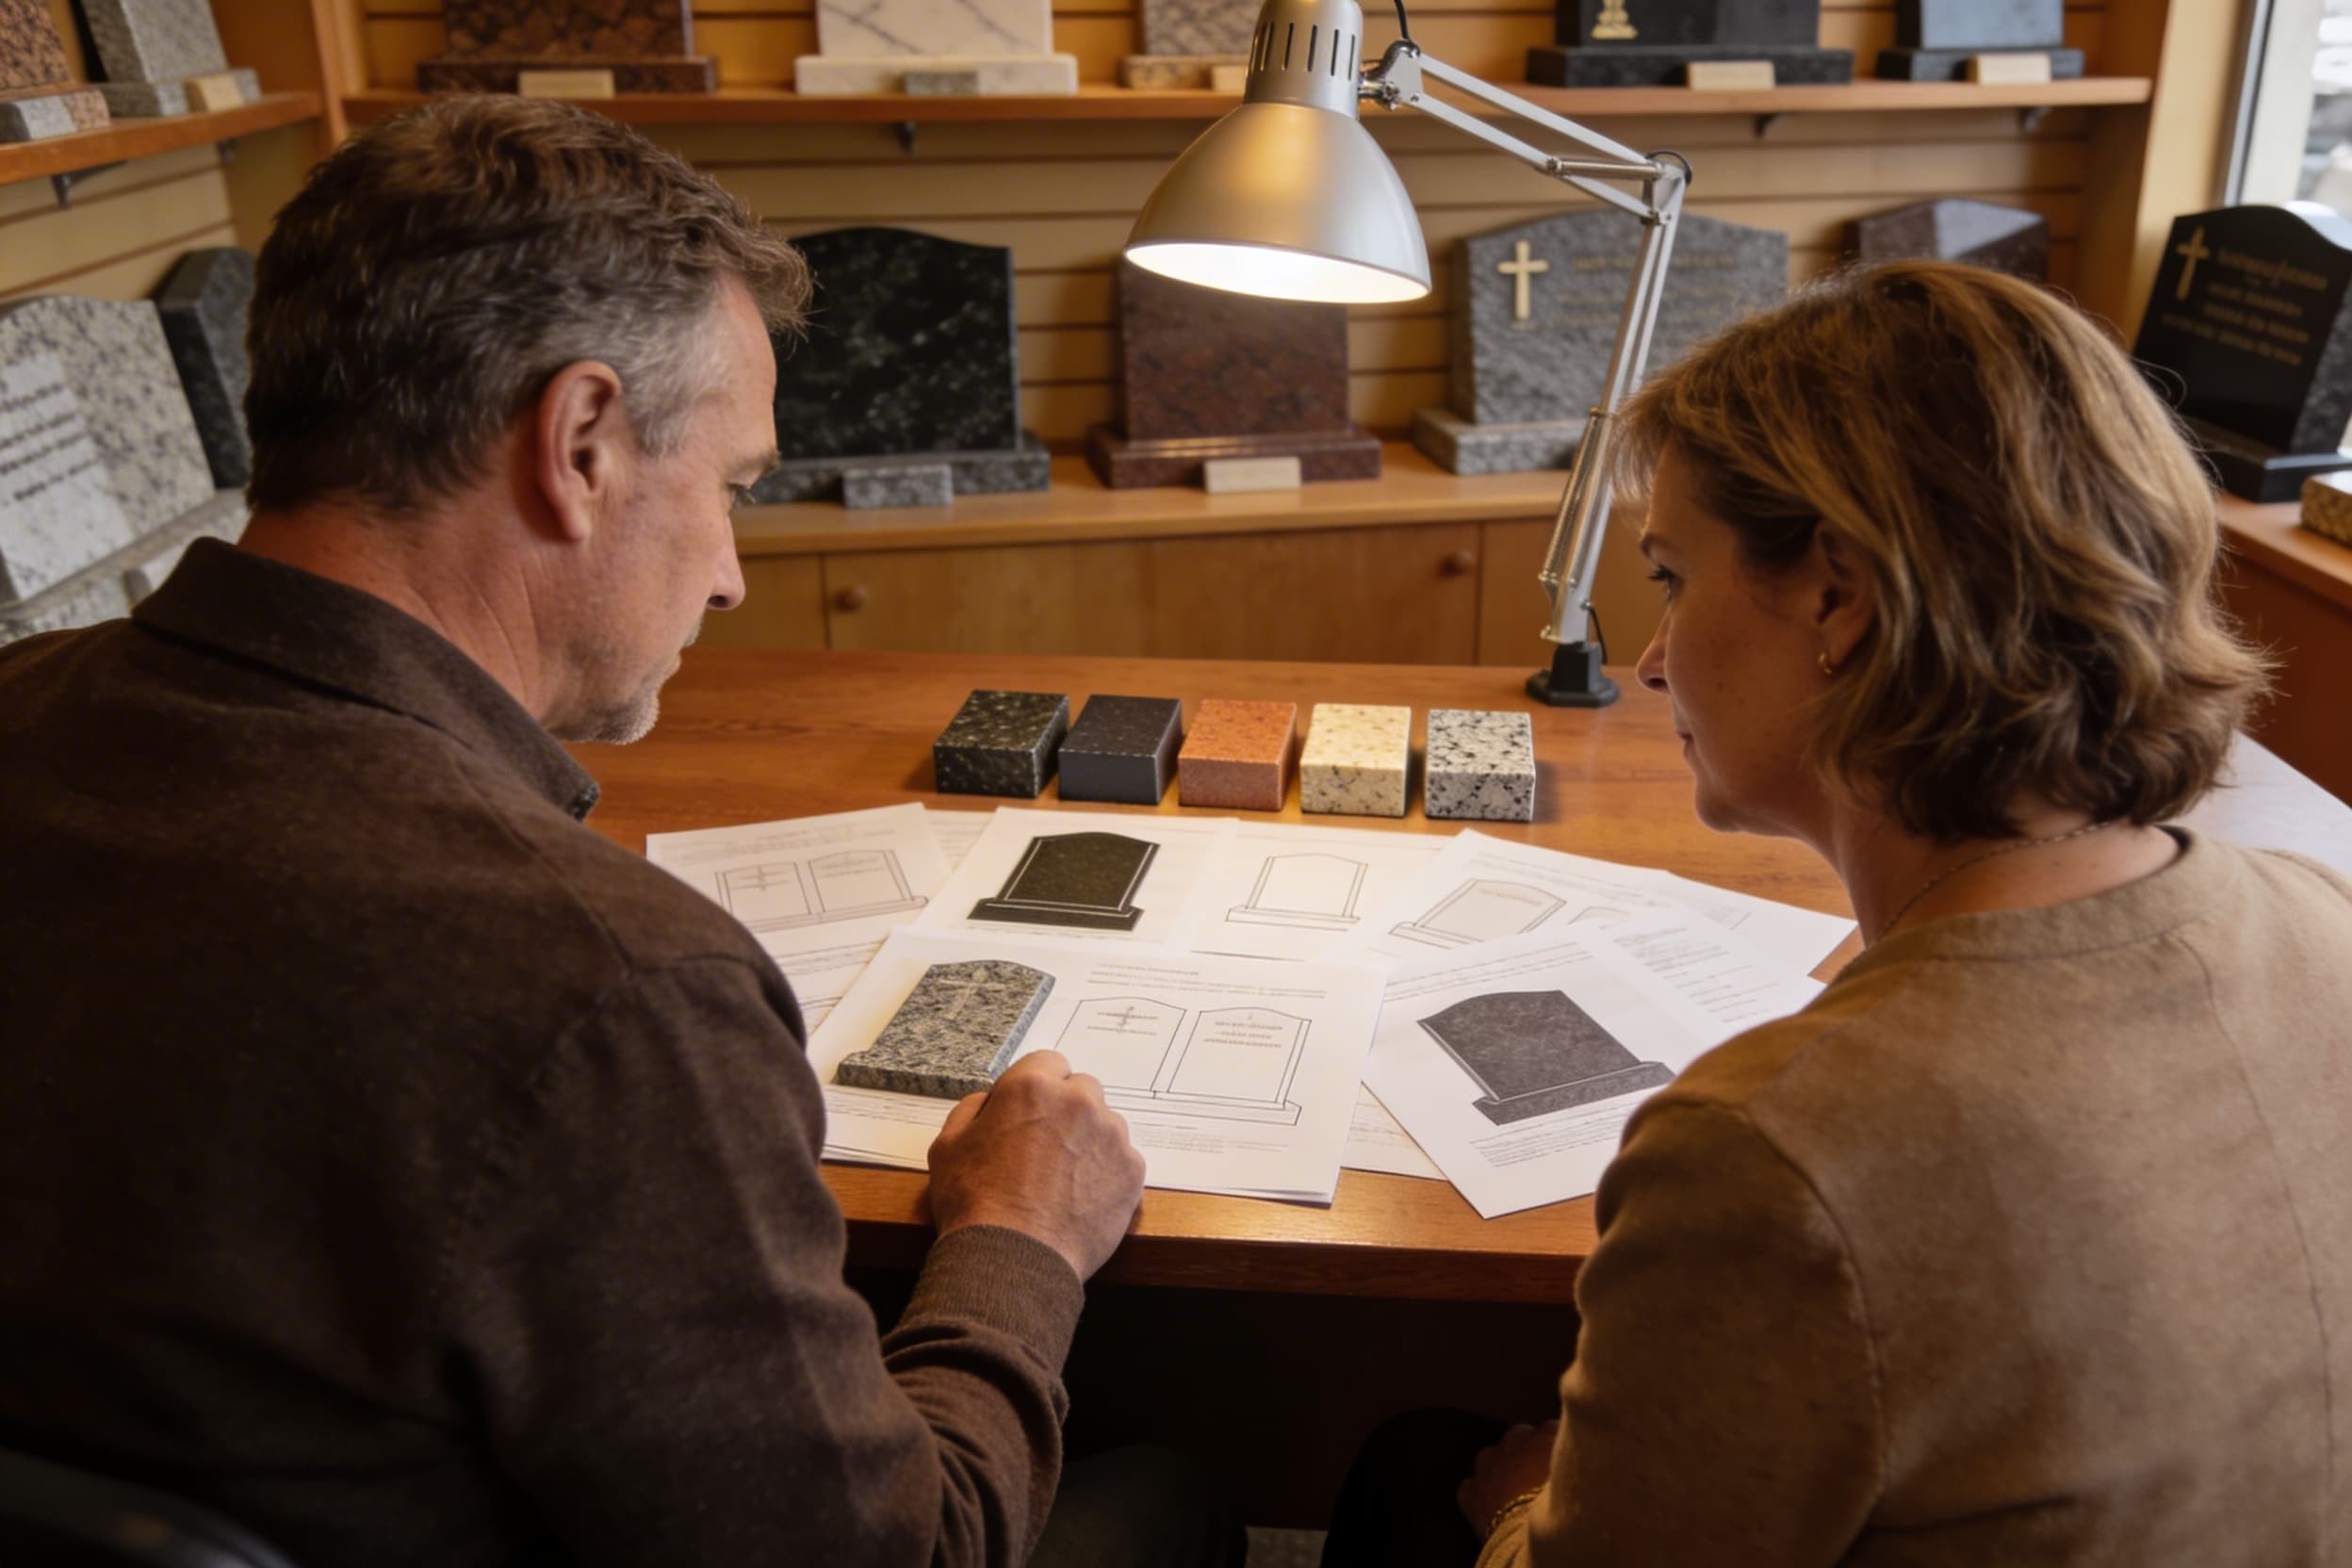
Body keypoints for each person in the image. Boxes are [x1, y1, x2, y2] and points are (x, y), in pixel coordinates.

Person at [0, 96, 1240, 1568]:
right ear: (580, 441)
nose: (725, 576)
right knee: (1176, 1493)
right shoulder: (607, 988)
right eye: (730, 489)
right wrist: (1021, 1240)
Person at [1322, 260, 2352, 1567]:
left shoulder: (1771, 1152)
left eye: (1672, 578)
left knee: (1420, 1470)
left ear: (1839, 596)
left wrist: (1525, 1507)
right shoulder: (2326, 917)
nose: (1647, 659)